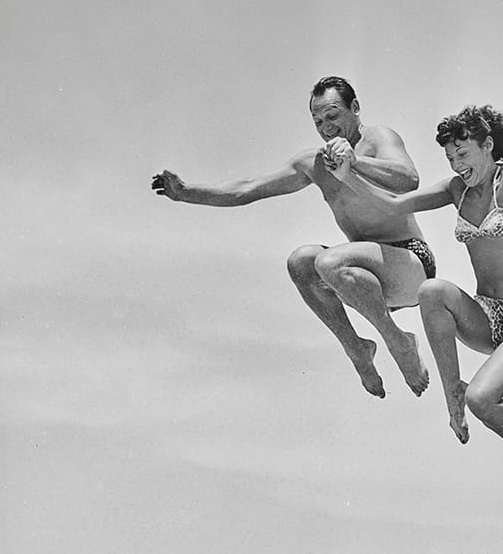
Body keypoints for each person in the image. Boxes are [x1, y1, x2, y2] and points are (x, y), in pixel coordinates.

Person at [324, 66, 503, 495]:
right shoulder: (456, 190)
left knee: (483, 400)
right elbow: (395, 204)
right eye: (451, 158)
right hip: (484, 316)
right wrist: (348, 176)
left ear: (488, 146)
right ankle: (452, 393)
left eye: (464, 154)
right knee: (432, 290)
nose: (457, 165)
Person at [151, 76, 434, 398]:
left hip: (410, 264)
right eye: (317, 121)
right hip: (362, 279)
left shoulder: (379, 139)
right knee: (301, 262)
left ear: (355, 109)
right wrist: (188, 193)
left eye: (332, 116)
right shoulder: (314, 163)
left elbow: (409, 179)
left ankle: (400, 343)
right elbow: (248, 188)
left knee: (329, 261)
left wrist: (356, 162)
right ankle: (356, 348)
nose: (326, 127)